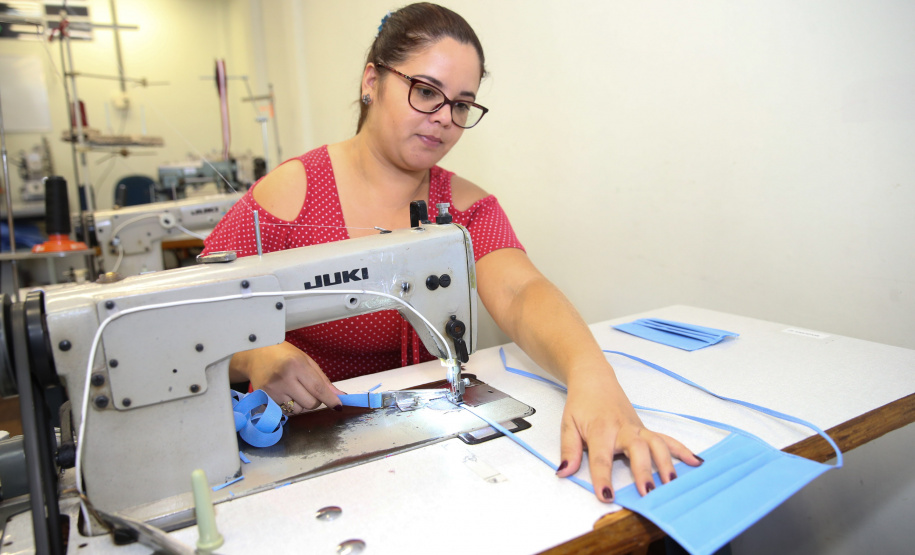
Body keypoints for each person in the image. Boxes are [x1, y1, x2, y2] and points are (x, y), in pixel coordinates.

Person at [203, 2, 702, 503]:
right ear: (371, 81)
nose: (444, 119)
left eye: (461, 105)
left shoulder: (464, 206)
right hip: (294, 443)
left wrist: (592, 377)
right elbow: (179, 316)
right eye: (426, 92)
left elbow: (523, 290)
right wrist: (253, 354)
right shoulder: (294, 193)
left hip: (412, 453)